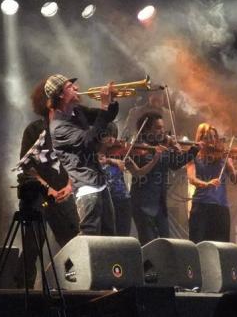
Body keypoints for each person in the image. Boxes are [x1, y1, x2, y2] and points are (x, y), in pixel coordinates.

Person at [15, 79, 80, 288]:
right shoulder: (34, 130)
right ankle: (22, 293)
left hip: (63, 193)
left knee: (73, 245)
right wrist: (47, 188)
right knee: (32, 247)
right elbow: (26, 168)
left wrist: (69, 186)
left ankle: (76, 290)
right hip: (38, 194)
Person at [47, 74, 118, 236]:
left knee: (110, 237)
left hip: (99, 182)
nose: (77, 88)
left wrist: (111, 101)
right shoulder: (59, 127)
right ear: (60, 94)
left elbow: (105, 118)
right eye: (70, 87)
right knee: (90, 239)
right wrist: (104, 104)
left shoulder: (77, 111)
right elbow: (90, 142)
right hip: (86, 187)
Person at [130, 112, 200, 245]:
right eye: (158, 128)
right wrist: (162, 151)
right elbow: (141, 172)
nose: (162, 131)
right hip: (142, 204)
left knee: (164, 243)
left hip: (159, 205)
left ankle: (161, 266)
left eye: (162, 127)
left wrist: (193, 150)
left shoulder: (162, 147)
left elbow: (175, 164)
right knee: (148, 245)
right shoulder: (139, 147)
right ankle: (148, 266)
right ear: (147, 129)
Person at [186, 123, 237, 244]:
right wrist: (207, 184)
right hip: (201, 206)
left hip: (221, 208)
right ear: (200, 139)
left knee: (220, 246)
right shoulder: (193, 156)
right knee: (198, 245)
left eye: (214, 137)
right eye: (207, 137)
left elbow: (235, 178)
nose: (212, 140)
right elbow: (192, 179)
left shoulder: (223, 156)